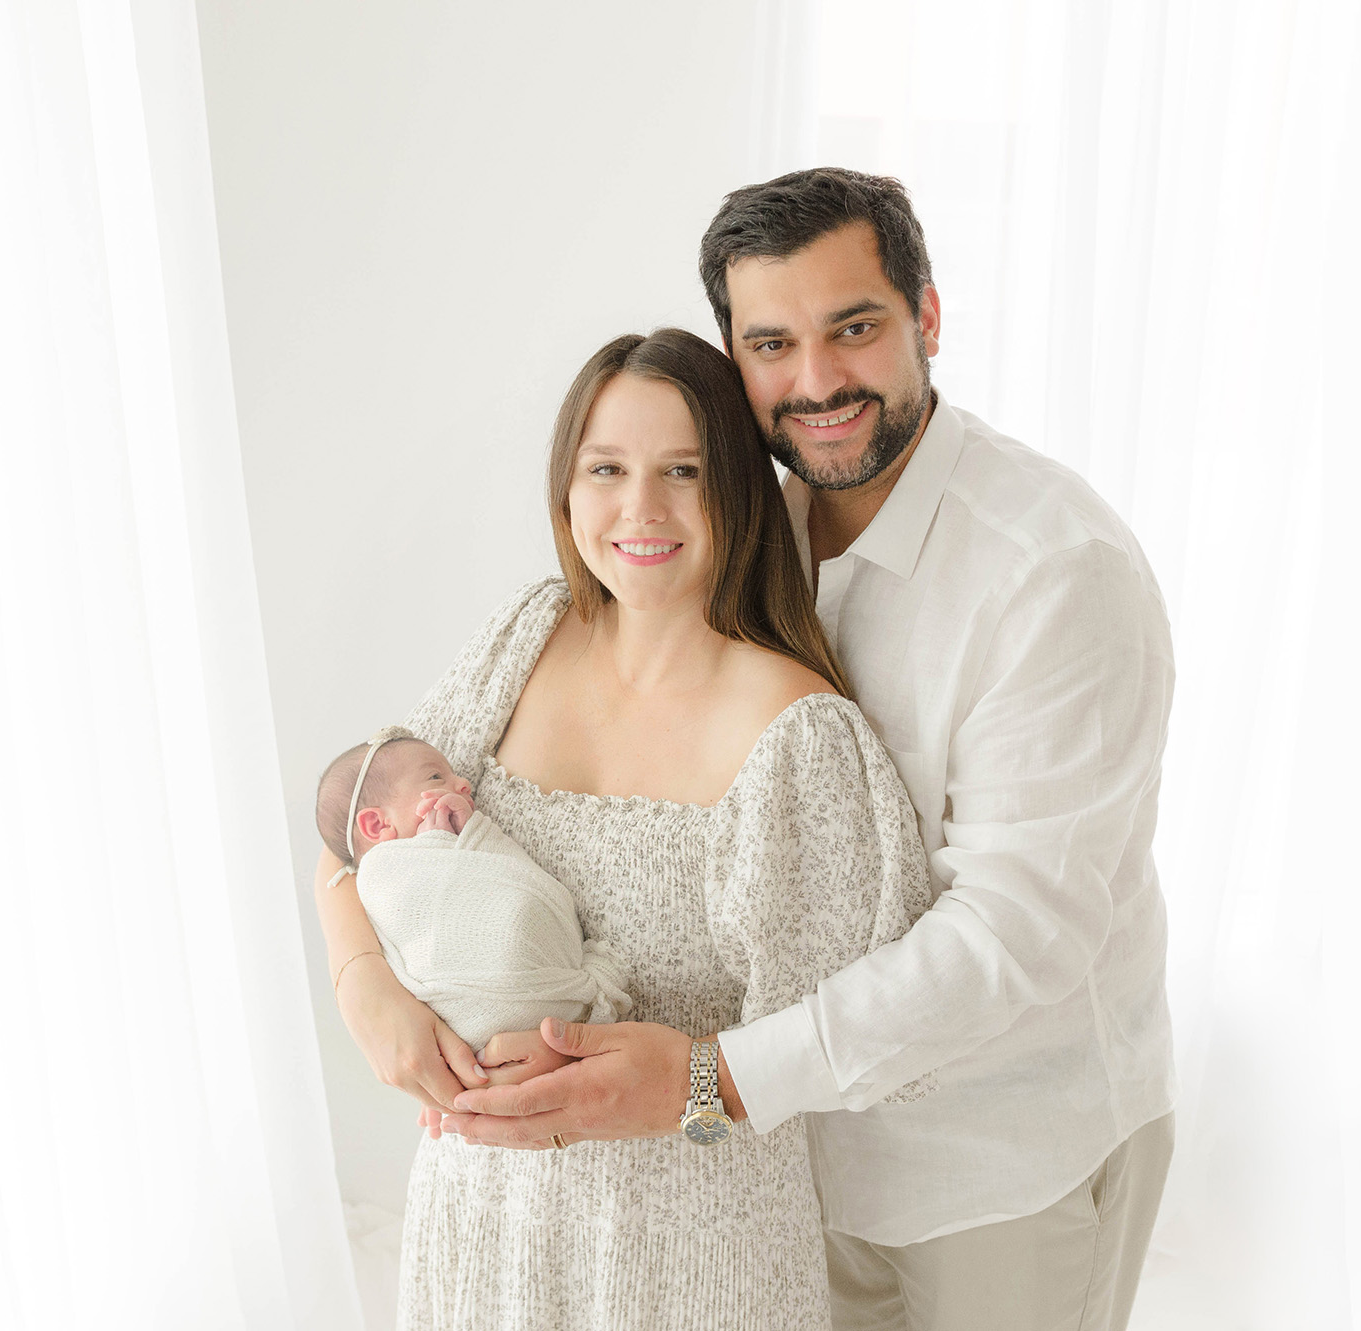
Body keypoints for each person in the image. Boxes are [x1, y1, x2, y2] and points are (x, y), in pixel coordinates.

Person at [437, 169, 1180, 1331]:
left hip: (989, 1164)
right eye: (772, 343)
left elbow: (1013, 934)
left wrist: (705, 1077)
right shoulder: (739, 531)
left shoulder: (1051, 572)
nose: (817, 379)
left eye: (855, 328)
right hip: (775, 1173)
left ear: (925, 318)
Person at [310, 327, 934, 1329]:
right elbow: (353, 835)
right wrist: (367, 992)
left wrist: (688, 1074)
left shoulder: (797, 734)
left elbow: (867, 1039)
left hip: (681, 1255)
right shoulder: (527, 634)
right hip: (481, 1220)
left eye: (681, 470)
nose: (639, 509)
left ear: (735, 486)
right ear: (566, 488)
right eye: (606, 468)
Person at [314, 728, 632, 1053]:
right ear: (377, 826)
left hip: (550, 999)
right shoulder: (380, 877)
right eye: (436, 777)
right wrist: (433, 847)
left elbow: (512, 889)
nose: (462, 783)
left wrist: (466, 839)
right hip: (471, 1025)